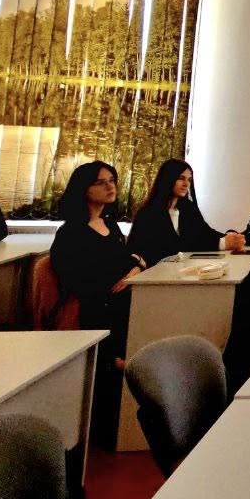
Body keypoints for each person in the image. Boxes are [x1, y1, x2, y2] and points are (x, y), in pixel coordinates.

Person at [49, 160, 146, 445]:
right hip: (93, 305)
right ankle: (115, 361)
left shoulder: (110, 225)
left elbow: (131, 258)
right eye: (101, 182)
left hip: (118, 298)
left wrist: (135, 269)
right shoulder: (70, 233)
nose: (109, 186)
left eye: (112, 180)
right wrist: (126, 269)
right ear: (84, 189)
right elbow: (78, 280)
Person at [128, 159, 245, 266]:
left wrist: (230, 236)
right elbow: (175, 247)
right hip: (155, 274)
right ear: (168, 178)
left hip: (184, 271)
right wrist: (222, 243)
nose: (186, 184)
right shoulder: (147, 214)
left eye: (189, 180)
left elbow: (205, 233)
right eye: (181, 178)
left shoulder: (188, 209)